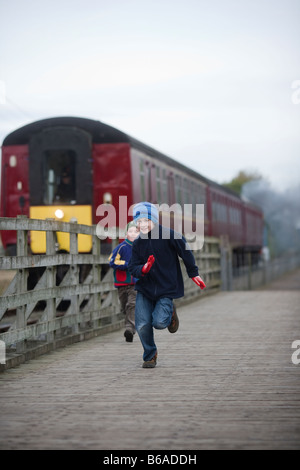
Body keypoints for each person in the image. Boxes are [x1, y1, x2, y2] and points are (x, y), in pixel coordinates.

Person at [128, 201, 206, 368]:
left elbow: (186, 251)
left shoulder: (169, 235)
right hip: (145, 288)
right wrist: (143, 268)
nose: (142, 224)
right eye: (138, 221)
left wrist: (194, 273)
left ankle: (169, 313)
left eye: (145, 220)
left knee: (159, 323)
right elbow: (132, 267)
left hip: (166, 288)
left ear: (154, 220)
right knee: (142, 324)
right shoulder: (138, 243)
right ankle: (150, 354)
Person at [109, 221, 139, 342]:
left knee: (132, 305)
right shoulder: (121, 247)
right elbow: (112, 261)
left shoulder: (141, 248)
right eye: (130, 231)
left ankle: (129, 329)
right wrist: (127, 265)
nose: (133, 234)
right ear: (126, 233)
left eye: (136, 232)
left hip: (135, 283)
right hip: (122, 283)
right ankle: (129, 322)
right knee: (124, 306)